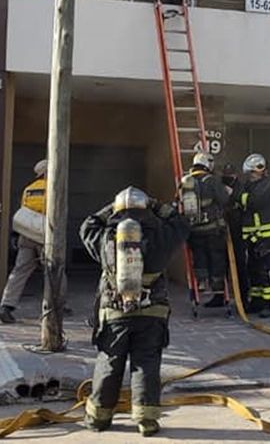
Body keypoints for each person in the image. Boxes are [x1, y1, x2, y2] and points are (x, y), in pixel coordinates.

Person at [80, 186, 190, 437]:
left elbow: (87, 226)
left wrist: (112, 207)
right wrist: (157, 205)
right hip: (152, 312)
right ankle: (146, 420)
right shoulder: (162, 233)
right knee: (146, 365)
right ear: (146, 208)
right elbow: (181, 224)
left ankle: (98, 418)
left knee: (109, 363)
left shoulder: (107, 235)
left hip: (114, 312)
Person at [0, 160, 71, 323]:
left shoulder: (29, 189)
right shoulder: (54, 188)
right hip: (46, 236)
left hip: (27, 235)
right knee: (54, 269)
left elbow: (25, 213)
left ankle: (6, 306)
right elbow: (58, 212)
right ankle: (58, 305)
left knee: (20, 270)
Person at [179, 151, 232, 308]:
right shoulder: (212, 181)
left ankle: (201, 282)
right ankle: (217, 288)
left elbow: (178, 202)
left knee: (199, 257)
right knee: (216, 258)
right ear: (208, 164)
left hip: (194, 231)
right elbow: (224, 200)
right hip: (213, 230)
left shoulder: (185, 181)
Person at [238, 153, 270, 317]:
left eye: (252, 173)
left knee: (266, 270)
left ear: (261, 170)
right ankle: (257, 302)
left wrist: (241, 197)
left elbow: (253, 202)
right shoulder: (249, 186)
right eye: (248, 173)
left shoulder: (266, 185)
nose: (250, 176)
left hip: (265, 237)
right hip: (252, 237)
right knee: (253, 270)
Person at [221, 162, 250, 306]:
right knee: (221, 265)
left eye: (230, 175)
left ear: (236, 175)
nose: (227, 177)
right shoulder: (219, 185)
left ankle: (244, 297)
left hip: (237, 231)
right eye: (225, 175)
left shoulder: (241, 187)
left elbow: (246, 203)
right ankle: (221, 296)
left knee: (240, 265)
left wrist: (232, 194)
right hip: (222, 229)